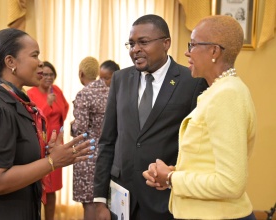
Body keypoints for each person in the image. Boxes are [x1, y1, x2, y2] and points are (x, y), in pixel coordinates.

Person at [0, 28, 95, 220]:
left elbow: (16, 158)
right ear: (10, 62)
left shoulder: (16, 102)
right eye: (34, 55)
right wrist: (52, 162)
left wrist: (47, 153)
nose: (40, 62)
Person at [93, 14, 208, 220]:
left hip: (164, 199)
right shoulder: (120, 79)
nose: (135, 49)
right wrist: (100, 199)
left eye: (143, 42)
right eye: (131, 44)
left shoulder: (192, 82)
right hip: (121, 198)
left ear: (166, 43)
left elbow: (196, 146)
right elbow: (107, 141)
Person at [142, 15, 257, 220]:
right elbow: (208, 163)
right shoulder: (219, 91)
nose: (187, 52)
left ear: (214, 51)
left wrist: (171, 178)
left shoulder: (227, 95)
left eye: (193, 44)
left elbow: (231, 183)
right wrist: (172, 173)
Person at [27, 61, 69, 220]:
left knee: (53, 189)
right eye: (44, 74)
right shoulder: (31, 93)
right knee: (40, 186)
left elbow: (64, 110)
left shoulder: (57, 90)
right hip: (40, 143)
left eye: (51, 74)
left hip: (56, 145)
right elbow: (35, 117)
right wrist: (47, 104)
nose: (48, 77)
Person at [71, 56, 110, 220]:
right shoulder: (110, 91)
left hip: (88, 154)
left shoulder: (84, 94)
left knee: (89, 204)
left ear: (81, 74)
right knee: (104, 203)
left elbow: (80, 129)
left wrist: (72, 126)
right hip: (108, 154)